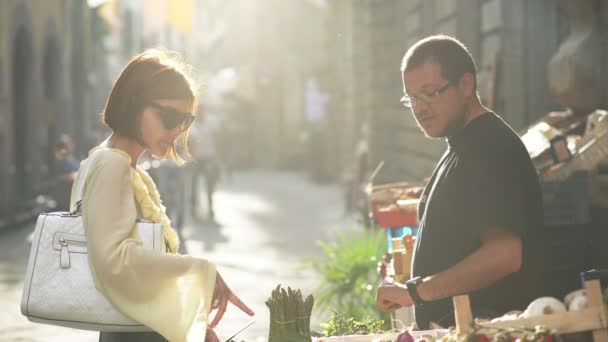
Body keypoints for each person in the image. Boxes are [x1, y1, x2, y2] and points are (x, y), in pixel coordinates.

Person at [69, 49, 254, 342]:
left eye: (185, 120)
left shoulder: (118, 163)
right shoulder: (112, 164)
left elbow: (135, 271)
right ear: (133, 103)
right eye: (168, 117)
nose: (177, 130)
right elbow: (114, 261)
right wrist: (199, 270)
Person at [376, 35, 545, 330]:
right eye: (412, 97)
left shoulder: (489, 147)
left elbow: (504, 254)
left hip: (487, 331)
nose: (420, 108)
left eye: (429, 93)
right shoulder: (459, 143)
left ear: (466, 86)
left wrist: (415, 292)